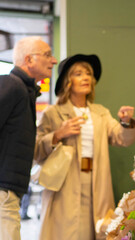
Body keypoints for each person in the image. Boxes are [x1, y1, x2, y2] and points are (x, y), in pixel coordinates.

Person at [34, 54, 135, 240]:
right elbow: (36, 150)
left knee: (94, 229)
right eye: (78, 74)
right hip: (65, 184)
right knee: (65, 232)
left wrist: (125, 122)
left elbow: (121, 138)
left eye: (88, 74)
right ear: (68, 81)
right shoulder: (54, 113)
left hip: (96, 181)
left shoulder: (100, 112)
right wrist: (58, 134)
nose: (85, 78)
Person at [0, 36, 57, 240]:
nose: (54, 60)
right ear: (29, 60)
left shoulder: (24, 90)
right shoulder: (12, 85)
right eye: (47, 55)